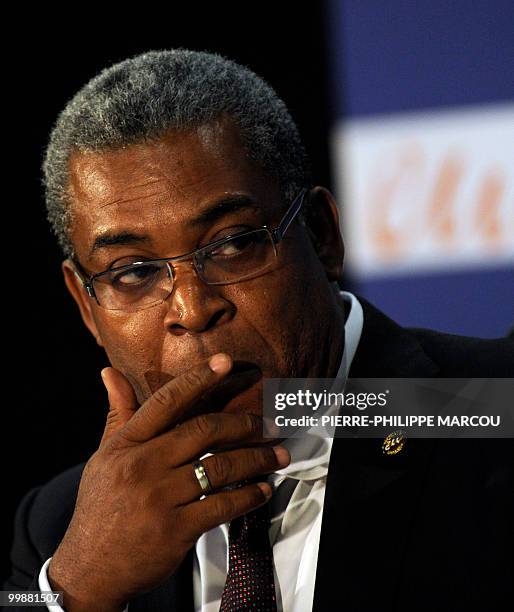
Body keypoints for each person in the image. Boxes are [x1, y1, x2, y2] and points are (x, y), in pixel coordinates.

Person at [3, 50, 513, 612]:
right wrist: (72, 589)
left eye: (232, 243)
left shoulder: (488, 408)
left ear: (321, 235)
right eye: (134, 272)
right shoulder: (62, 525)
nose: (193, 310)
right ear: (86, 302)